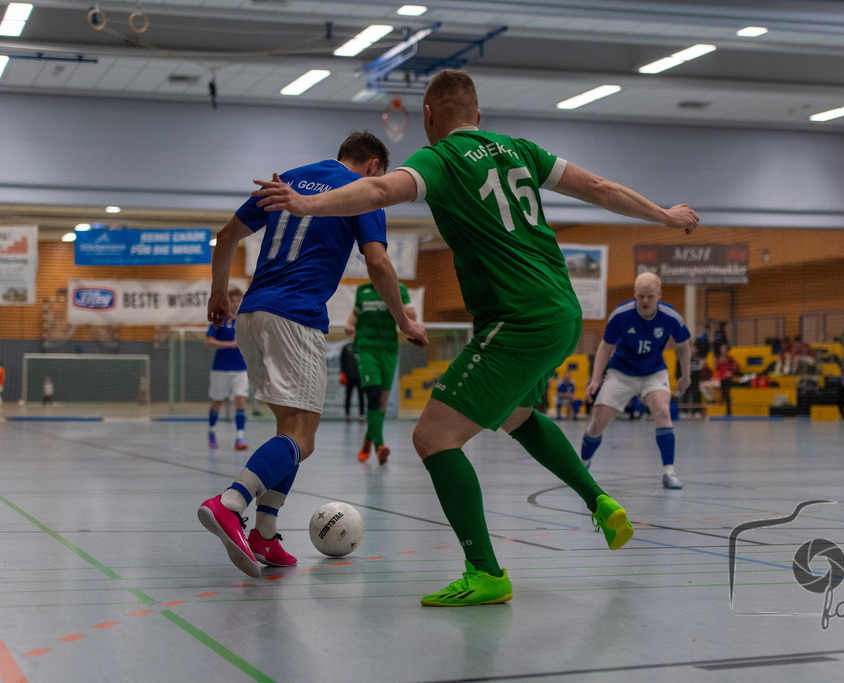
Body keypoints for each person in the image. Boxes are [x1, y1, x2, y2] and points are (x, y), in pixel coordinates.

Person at [252, 68, 699, 606]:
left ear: (428, 116)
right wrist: (666, 217)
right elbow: (599, 189)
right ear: (479, 115)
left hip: (519, 318)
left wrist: (307, 203)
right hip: (562, 312)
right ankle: (600, 503)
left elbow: (375, 189)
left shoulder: (437, 160)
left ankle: (485, 572)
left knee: (432, 438)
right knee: (516, 415)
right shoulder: (521, 150)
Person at [198, 131, 428, 579]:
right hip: (295, 318)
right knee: (303, 438)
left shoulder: (290, 180)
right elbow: (378, 264)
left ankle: (264, 534)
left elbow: (226, 236)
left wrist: (219, 293)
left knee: (290, 431)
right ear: (375, 168)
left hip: (251, 315)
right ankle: (230, 503)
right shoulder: (364, 193)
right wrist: (404, 320)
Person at [578, 273, 691, 489]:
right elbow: (605, 347)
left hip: (653, 372)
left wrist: (685, 376)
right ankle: (582, 466)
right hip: (621, 372)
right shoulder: (621, 315)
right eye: (640, 297)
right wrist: (595, 379)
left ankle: (669, 472)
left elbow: (683, 345)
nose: (645, 302)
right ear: (634, 295)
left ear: (659, 294)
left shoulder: (670, 317)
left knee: (662, 411)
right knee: (597, 423)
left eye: (650, 296)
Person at [346, 280, 417, 463]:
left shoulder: (398, 288)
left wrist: (393, 298)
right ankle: (380, 446)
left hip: (388, 350)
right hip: (367, 348)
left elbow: (412, 315)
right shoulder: (363, 290)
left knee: (382, 403)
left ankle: (368, 439)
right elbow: (355, 313)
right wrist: (349, 325)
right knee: (374, 397)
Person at [205, 286, 249, 450]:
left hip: (240, 369)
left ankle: (239, 438)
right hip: (221, 369)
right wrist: (229, 344)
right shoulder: (220, 320)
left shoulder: (245, 322)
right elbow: (208, 341)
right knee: (217, 401)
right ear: (227, 302)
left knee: (240, 399)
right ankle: (211, 431)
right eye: (233, 300)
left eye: (239, 300)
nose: (236, 304)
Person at [339, 342, 364, 422]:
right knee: (348, 396)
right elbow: (342, 362)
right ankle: (347, 415)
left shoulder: (362, 346)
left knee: (361, 397)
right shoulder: (346, 347)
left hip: (360, 377)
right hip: (349, 376)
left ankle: (361, 415)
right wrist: (343, 374)